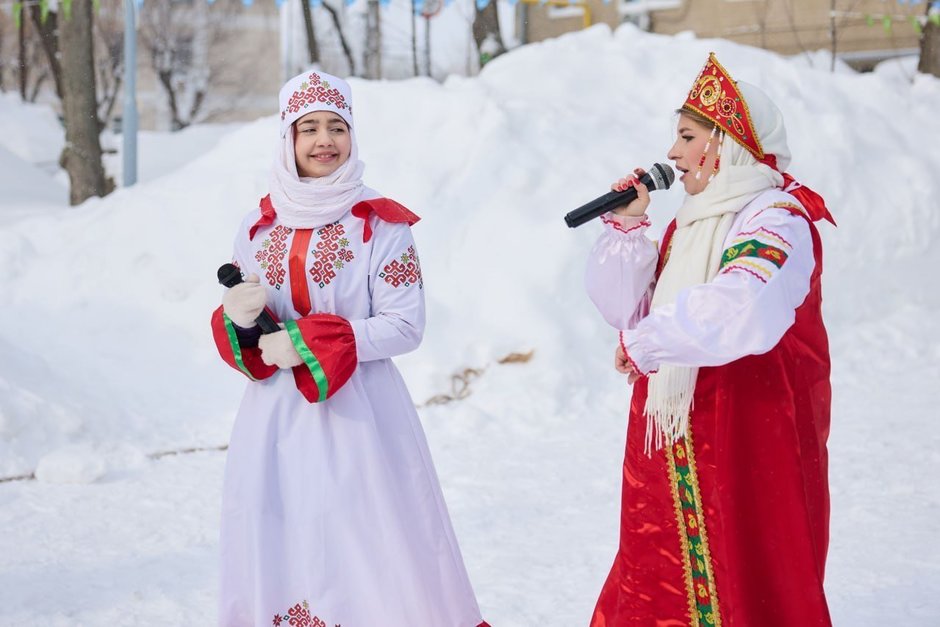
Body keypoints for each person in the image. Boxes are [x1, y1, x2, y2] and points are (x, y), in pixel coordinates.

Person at [210, 70, 489, 627]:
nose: (324, 141)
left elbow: (405, 326)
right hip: (273, 422)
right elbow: (257, 331)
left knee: (365, 544)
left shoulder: (380, 225)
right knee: (279, 533)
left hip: (360, 414)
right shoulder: (258, 226)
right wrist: (240, 322)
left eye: (337, 127)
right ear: (286, 138)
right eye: (308, 127)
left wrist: (309, 341)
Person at [584, 53, 836, 626]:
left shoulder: (776, 217)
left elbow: (742, 305)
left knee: (746, 566)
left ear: (726, 145)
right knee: (660, 567)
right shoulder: (691, 222)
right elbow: (625, 308)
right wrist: (627, 226)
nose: (672, 152)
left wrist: (648, 343)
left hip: (747, 431)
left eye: (687, 135)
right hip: (674, 438)